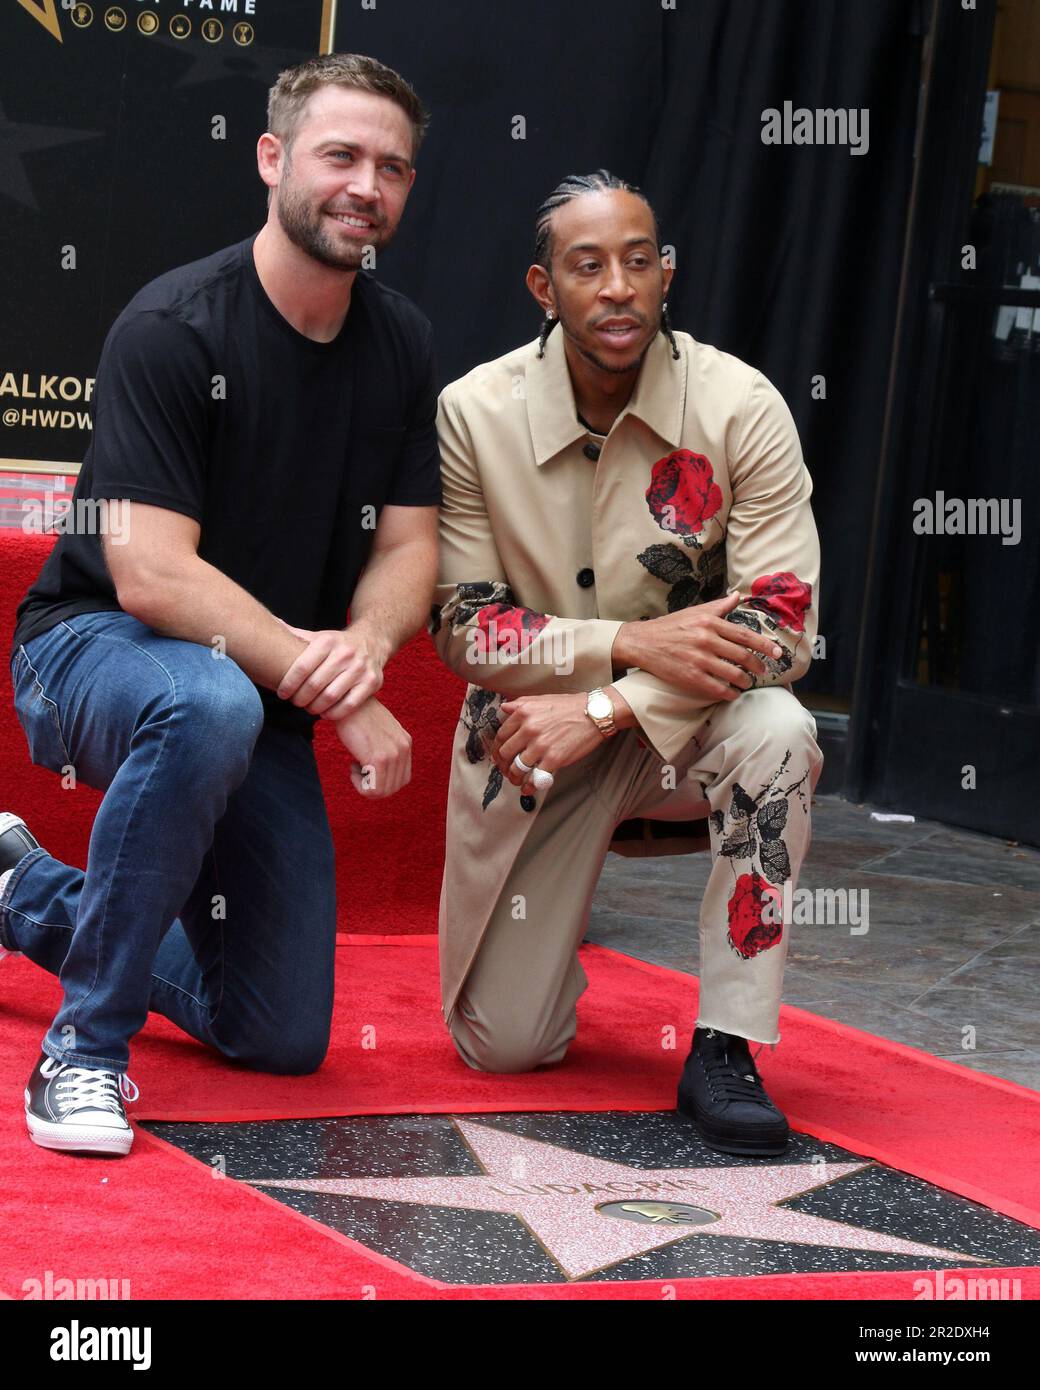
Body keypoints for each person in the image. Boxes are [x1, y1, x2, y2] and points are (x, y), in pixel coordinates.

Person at [0, 53, 440, 1157]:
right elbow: (149, 574)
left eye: (391, 166)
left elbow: (409, 546)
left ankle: (22, 892)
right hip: (93, 648)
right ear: (272, 158)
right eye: (340, 154)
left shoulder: (401, 342)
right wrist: (327, 687)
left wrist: (368, 651)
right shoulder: (173, 327)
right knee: (206, 705)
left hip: (258, 685)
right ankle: (82, 1055)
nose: (365, 186)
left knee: (276, 1030)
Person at [429, 170, 825, 1157]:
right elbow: (462, 625)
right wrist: (623, 642)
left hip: (687, 730)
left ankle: (728, 1039)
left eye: (638, 262)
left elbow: (781, 628)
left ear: (666, 277)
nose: (616, 287)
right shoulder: (473, 412)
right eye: (587, 265)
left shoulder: (741, 405)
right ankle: (547, 944)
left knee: (781, 732)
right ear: (541, 286)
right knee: (503, 1045)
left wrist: (608, 703)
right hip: (535, 738)